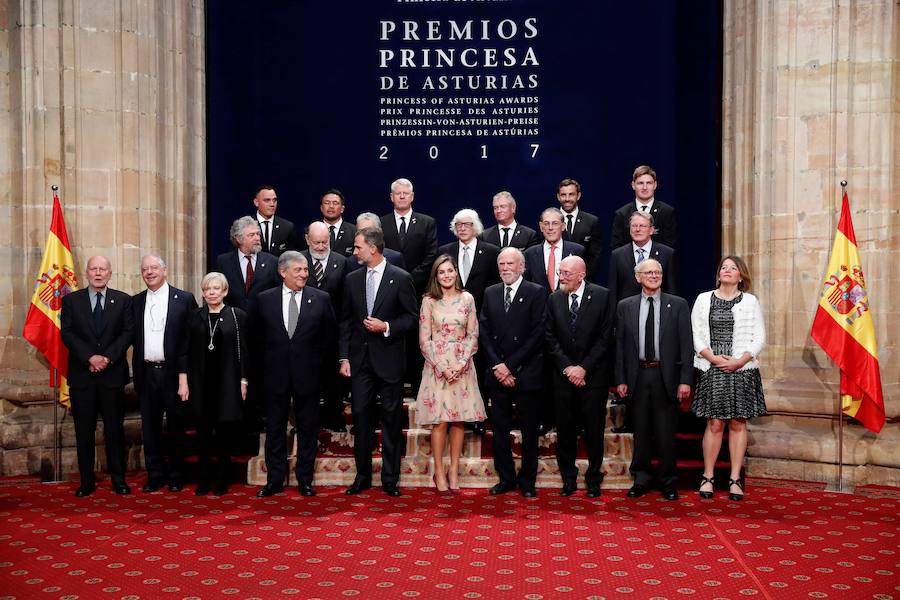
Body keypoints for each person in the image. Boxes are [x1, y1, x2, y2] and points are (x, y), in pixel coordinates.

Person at [339, 227, 418, 497]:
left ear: (373, 248)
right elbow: (346, 322)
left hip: (390, 360)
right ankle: (362, 477)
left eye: (358, 246)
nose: (355, 251)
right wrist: (344, 356)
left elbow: (411, 318)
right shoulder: (351, 279)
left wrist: (386, 326)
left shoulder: (401, 277)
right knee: (361, 417)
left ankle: (390, 478)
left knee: (391, 420)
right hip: (360, 362)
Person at [255, 252, 337, 498]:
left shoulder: (321, 298)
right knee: (275, 430)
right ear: (283, 272)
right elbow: (256, 339)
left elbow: (329, 338)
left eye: (305, 270)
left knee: (308, 429)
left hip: (308, 376)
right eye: (298, 270)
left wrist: (319, 368)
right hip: (274, 376)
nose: (304, 274)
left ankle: (305, 480)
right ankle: (275, 480)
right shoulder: (264, 299)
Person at [615, 259, 693, 501]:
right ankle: (641, 479)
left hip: (665, 376)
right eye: (648, 272)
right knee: (640, 430)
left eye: (658, 272)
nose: (654, 275)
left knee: (665, 432)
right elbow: (620, 346)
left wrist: (685, 380)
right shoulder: (625, 306)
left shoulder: (678, 304)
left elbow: (686, 345)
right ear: (637, 277)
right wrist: (620, 378)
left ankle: (668, 482)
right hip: (637, 375)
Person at [691, 256, 766, 501]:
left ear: (741, 275)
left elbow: (759, 337)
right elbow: (696, 335)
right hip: (713, 367)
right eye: (723, 267)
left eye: (732, 268)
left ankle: (735, 479)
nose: (727, 270)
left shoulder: (750, 301)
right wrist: (713, 358)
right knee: (714, 423)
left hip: (741, 369)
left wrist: (739, 361)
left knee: (737, 423)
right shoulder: (703, 299)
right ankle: (708, 476)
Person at [61, 256, 134, 497]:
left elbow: (127, 333)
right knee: (84, 431)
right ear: (87, 273)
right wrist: (90, 357)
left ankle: (118, 479)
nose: (98, 273)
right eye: (94, 269)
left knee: (115, 430)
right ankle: (86, 482)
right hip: (82, 377)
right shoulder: (72, 300)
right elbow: (68, 334)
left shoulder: (123, 300)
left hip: (112, 376)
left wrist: (107, 358)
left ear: (110, 273)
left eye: (103, 269)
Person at [415, 255, 487, 493]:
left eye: (449, 271)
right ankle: (439, 471)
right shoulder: (429, 301)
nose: (446, 275)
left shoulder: (468, 298)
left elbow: (472, 334)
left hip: (462, 366)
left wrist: (461, 363)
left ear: (456, 272)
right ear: (436, 276)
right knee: (441, 421)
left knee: (458, 419)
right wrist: (442, 366)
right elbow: (424, 340)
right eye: (441, 272)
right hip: (438, 367)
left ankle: (454, 471)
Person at [479, 248, 547, 497]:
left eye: (510, 264)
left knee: (529, 431)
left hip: (525, 373)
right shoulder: (491, 292)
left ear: (522, 267)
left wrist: (511, 366)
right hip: (497, 374)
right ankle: (505, 478)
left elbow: (538, 333)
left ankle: (527, 481)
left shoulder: (536, 292)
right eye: (501, 264)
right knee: (499, 431)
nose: (505, 268)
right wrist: (499, 366)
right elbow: (484, 331)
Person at [545, 256, 613, 498]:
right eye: (560, 272)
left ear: (581, 275)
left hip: (592, 378)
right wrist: (568, 368)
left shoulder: (603, 296)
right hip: (563, 378)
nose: (561, 277)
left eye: (566, 273)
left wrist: (583, 368)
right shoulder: (554, 298)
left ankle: (594, 478)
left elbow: (605, 338)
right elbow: (550, 337)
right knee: (565, 431)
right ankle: (569, 479)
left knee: (594, 431)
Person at [131, 254, 197, 493]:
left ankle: (177, 475)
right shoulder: (136, 302)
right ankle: (155, 475)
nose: (149, 272)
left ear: (165, 271)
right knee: (150, 428)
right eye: (145, 269)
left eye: (154, 268)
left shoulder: (184, 299)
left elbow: (191, 341)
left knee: (177, 427)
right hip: (146, 373)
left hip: (174, 375)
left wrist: (186, 375)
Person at [179, 272, 248, 496]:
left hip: (227, 383)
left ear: (225, 291)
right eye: (207, 289)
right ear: (202, 292)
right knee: (203, 436)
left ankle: (221, 480)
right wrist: (183, 380)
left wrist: (243, 380)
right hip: (200, 384)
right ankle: (204, 479)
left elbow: (244, 352)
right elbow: (184, 350)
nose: (211, 292)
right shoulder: (193, 316)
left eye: (216, 288)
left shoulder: (237, 316)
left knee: (224, 435)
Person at [302, 221, 348, 431]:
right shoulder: (298, 260)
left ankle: (334, 417)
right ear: (307, 240)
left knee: (333, 378)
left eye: (324, 242)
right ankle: (306, 421)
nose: (321, 247)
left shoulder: (342, 261)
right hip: (305, 331)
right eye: (317, 242)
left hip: (334, 330)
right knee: (307, 377)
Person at [380, 178, 437, 295]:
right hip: (388, 285)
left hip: (419, 286)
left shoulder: (427, 222)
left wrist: (411, 278)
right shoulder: (381, 223)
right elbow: (379, 252)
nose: (402, 196)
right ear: (391, 197)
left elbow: (431, 254)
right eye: (398, 193)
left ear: (412, 196)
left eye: (405, 193)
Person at [438, 208, 501, 311]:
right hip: (451, 312)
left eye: (467, 224)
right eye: (459, 224)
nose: (462, 228)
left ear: (475, 226)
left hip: (482, 311)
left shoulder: (491, 252)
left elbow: (496, 284)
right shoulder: (444, 252)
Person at [608, 211, 677, 304]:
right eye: (634, 226)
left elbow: (671, 288)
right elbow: (613, 290)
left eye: (642, 226)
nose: (637, 229)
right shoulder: (618, 255)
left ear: (651, 230)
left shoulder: (666, 253)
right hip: (627, 312)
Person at [215, 216, 280, 313]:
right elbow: (219, 291)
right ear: (238, 239)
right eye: (251, 235)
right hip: (232, 321)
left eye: (258, 234)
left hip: (263, 322)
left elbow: (277, 293)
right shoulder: (223, 262)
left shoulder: (272, 262)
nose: (257, 238)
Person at [610, 165, 677, 250]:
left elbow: (669, 247)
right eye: (640, 183)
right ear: (633, 185)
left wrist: (651, 263)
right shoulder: (622, 214)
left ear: (655, 185)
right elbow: (616, 248)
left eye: (649, 183)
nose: (644, 187)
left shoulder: (667, 212)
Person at [524, 207, 584, 292]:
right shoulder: (529, 253)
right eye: (546, 223)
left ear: (563, 226)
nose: (550, 228)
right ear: (541, 227)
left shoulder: (577, 251)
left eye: (555, 223)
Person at [557, 178, 603, 278]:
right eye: (563, 195)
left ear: (578, 196)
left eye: (571, 194)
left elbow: (595, 256)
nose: (567, 199)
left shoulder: (591, 221)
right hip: (556, 279)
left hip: (583, 280)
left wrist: (582, 278)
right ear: (558, 197)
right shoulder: (550, 220)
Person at [252, 184, 300, 256]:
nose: (272, 204)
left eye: (274, 200)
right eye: (267, 200)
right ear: (256, 202)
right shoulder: (247, 226)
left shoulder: (287, 227)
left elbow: (292, 257)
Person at [320, 189, 356, 258]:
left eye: (335, 203)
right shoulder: (312, 231)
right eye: (327, 203)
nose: (331, 206)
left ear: (342, 209)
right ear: (321, 208)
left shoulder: (354, 231)